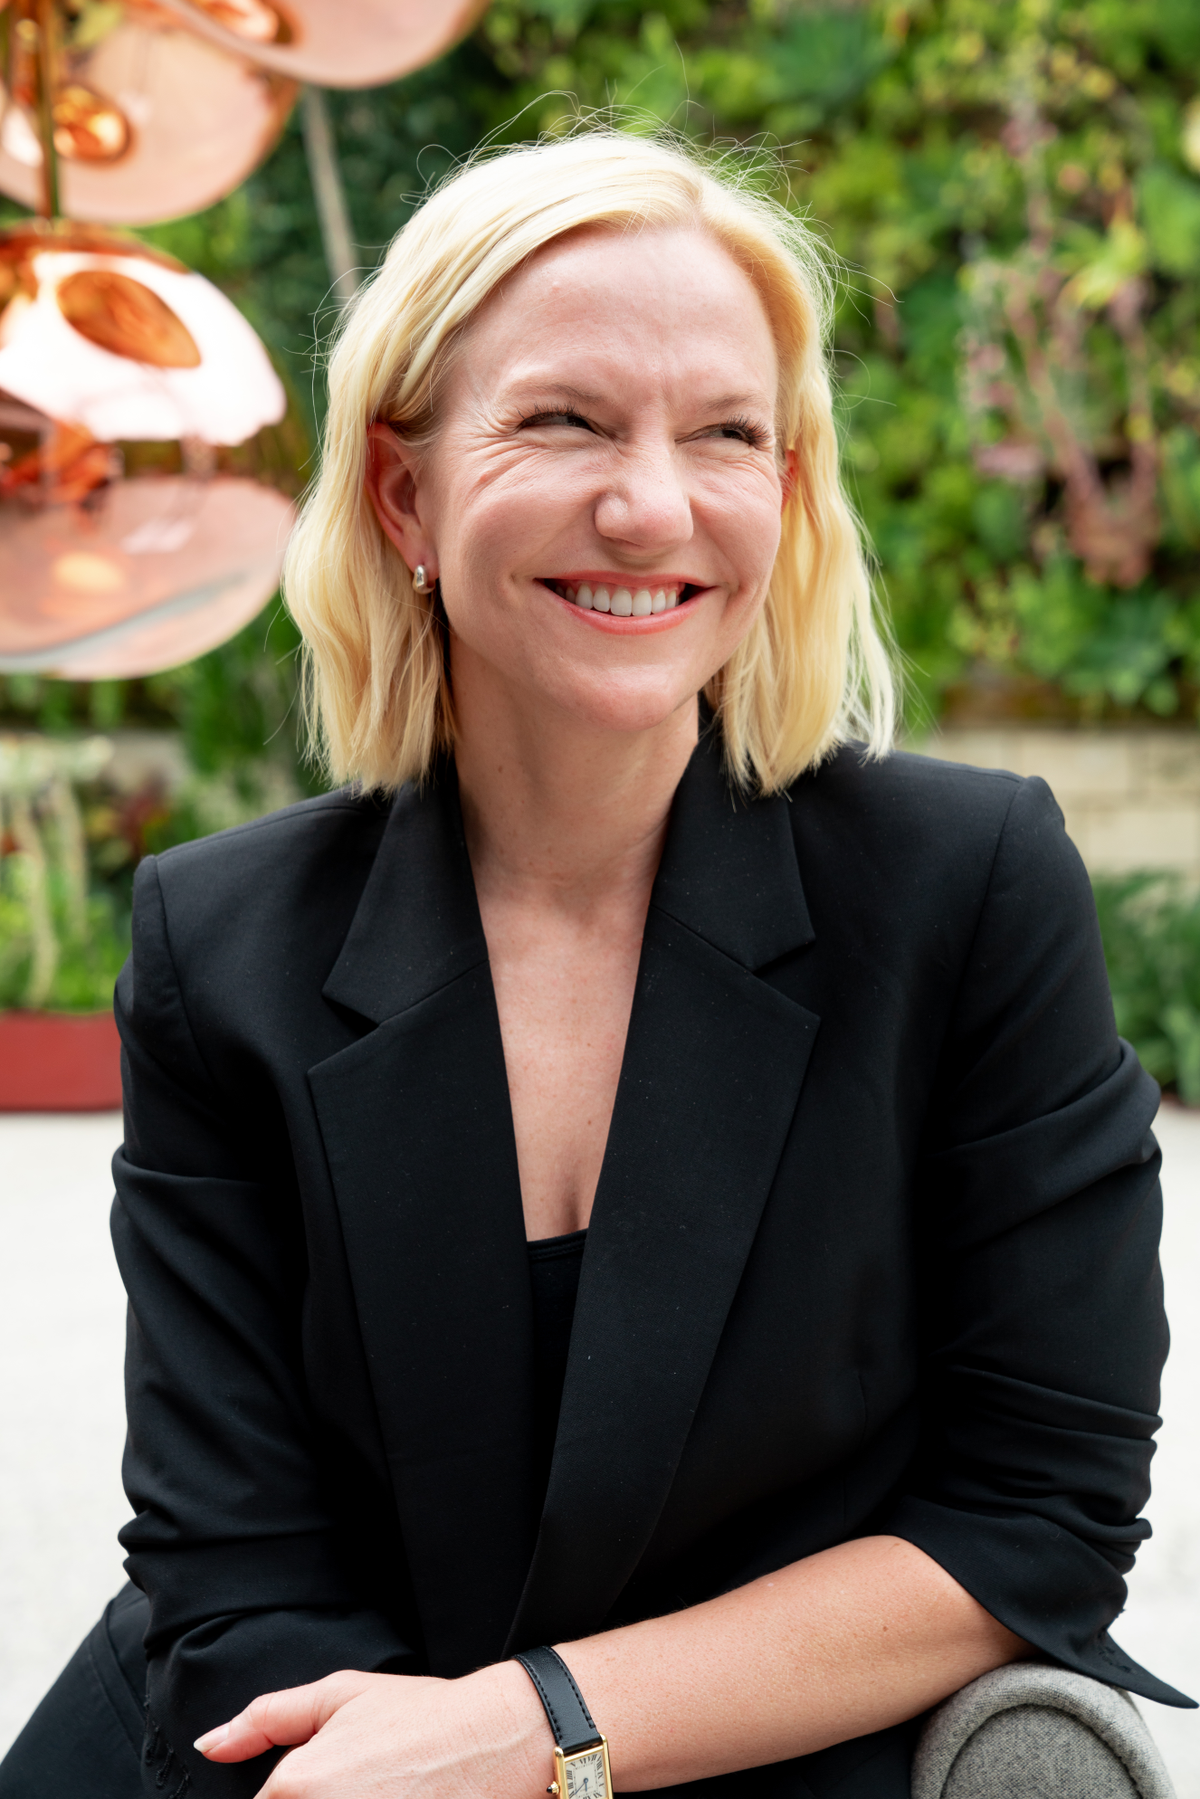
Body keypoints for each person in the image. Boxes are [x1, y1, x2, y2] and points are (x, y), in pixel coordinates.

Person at [0, 129, 1189, 1799]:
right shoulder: (220, 943)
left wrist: (541, 1727)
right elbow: (234, 1567)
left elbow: (1038, 1513)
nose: (651, 503)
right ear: (406, 490)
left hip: (760, 1748)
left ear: (783, 492)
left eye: (725, 434)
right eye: (563, 420)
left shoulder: (969, 883)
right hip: (308, 1754)